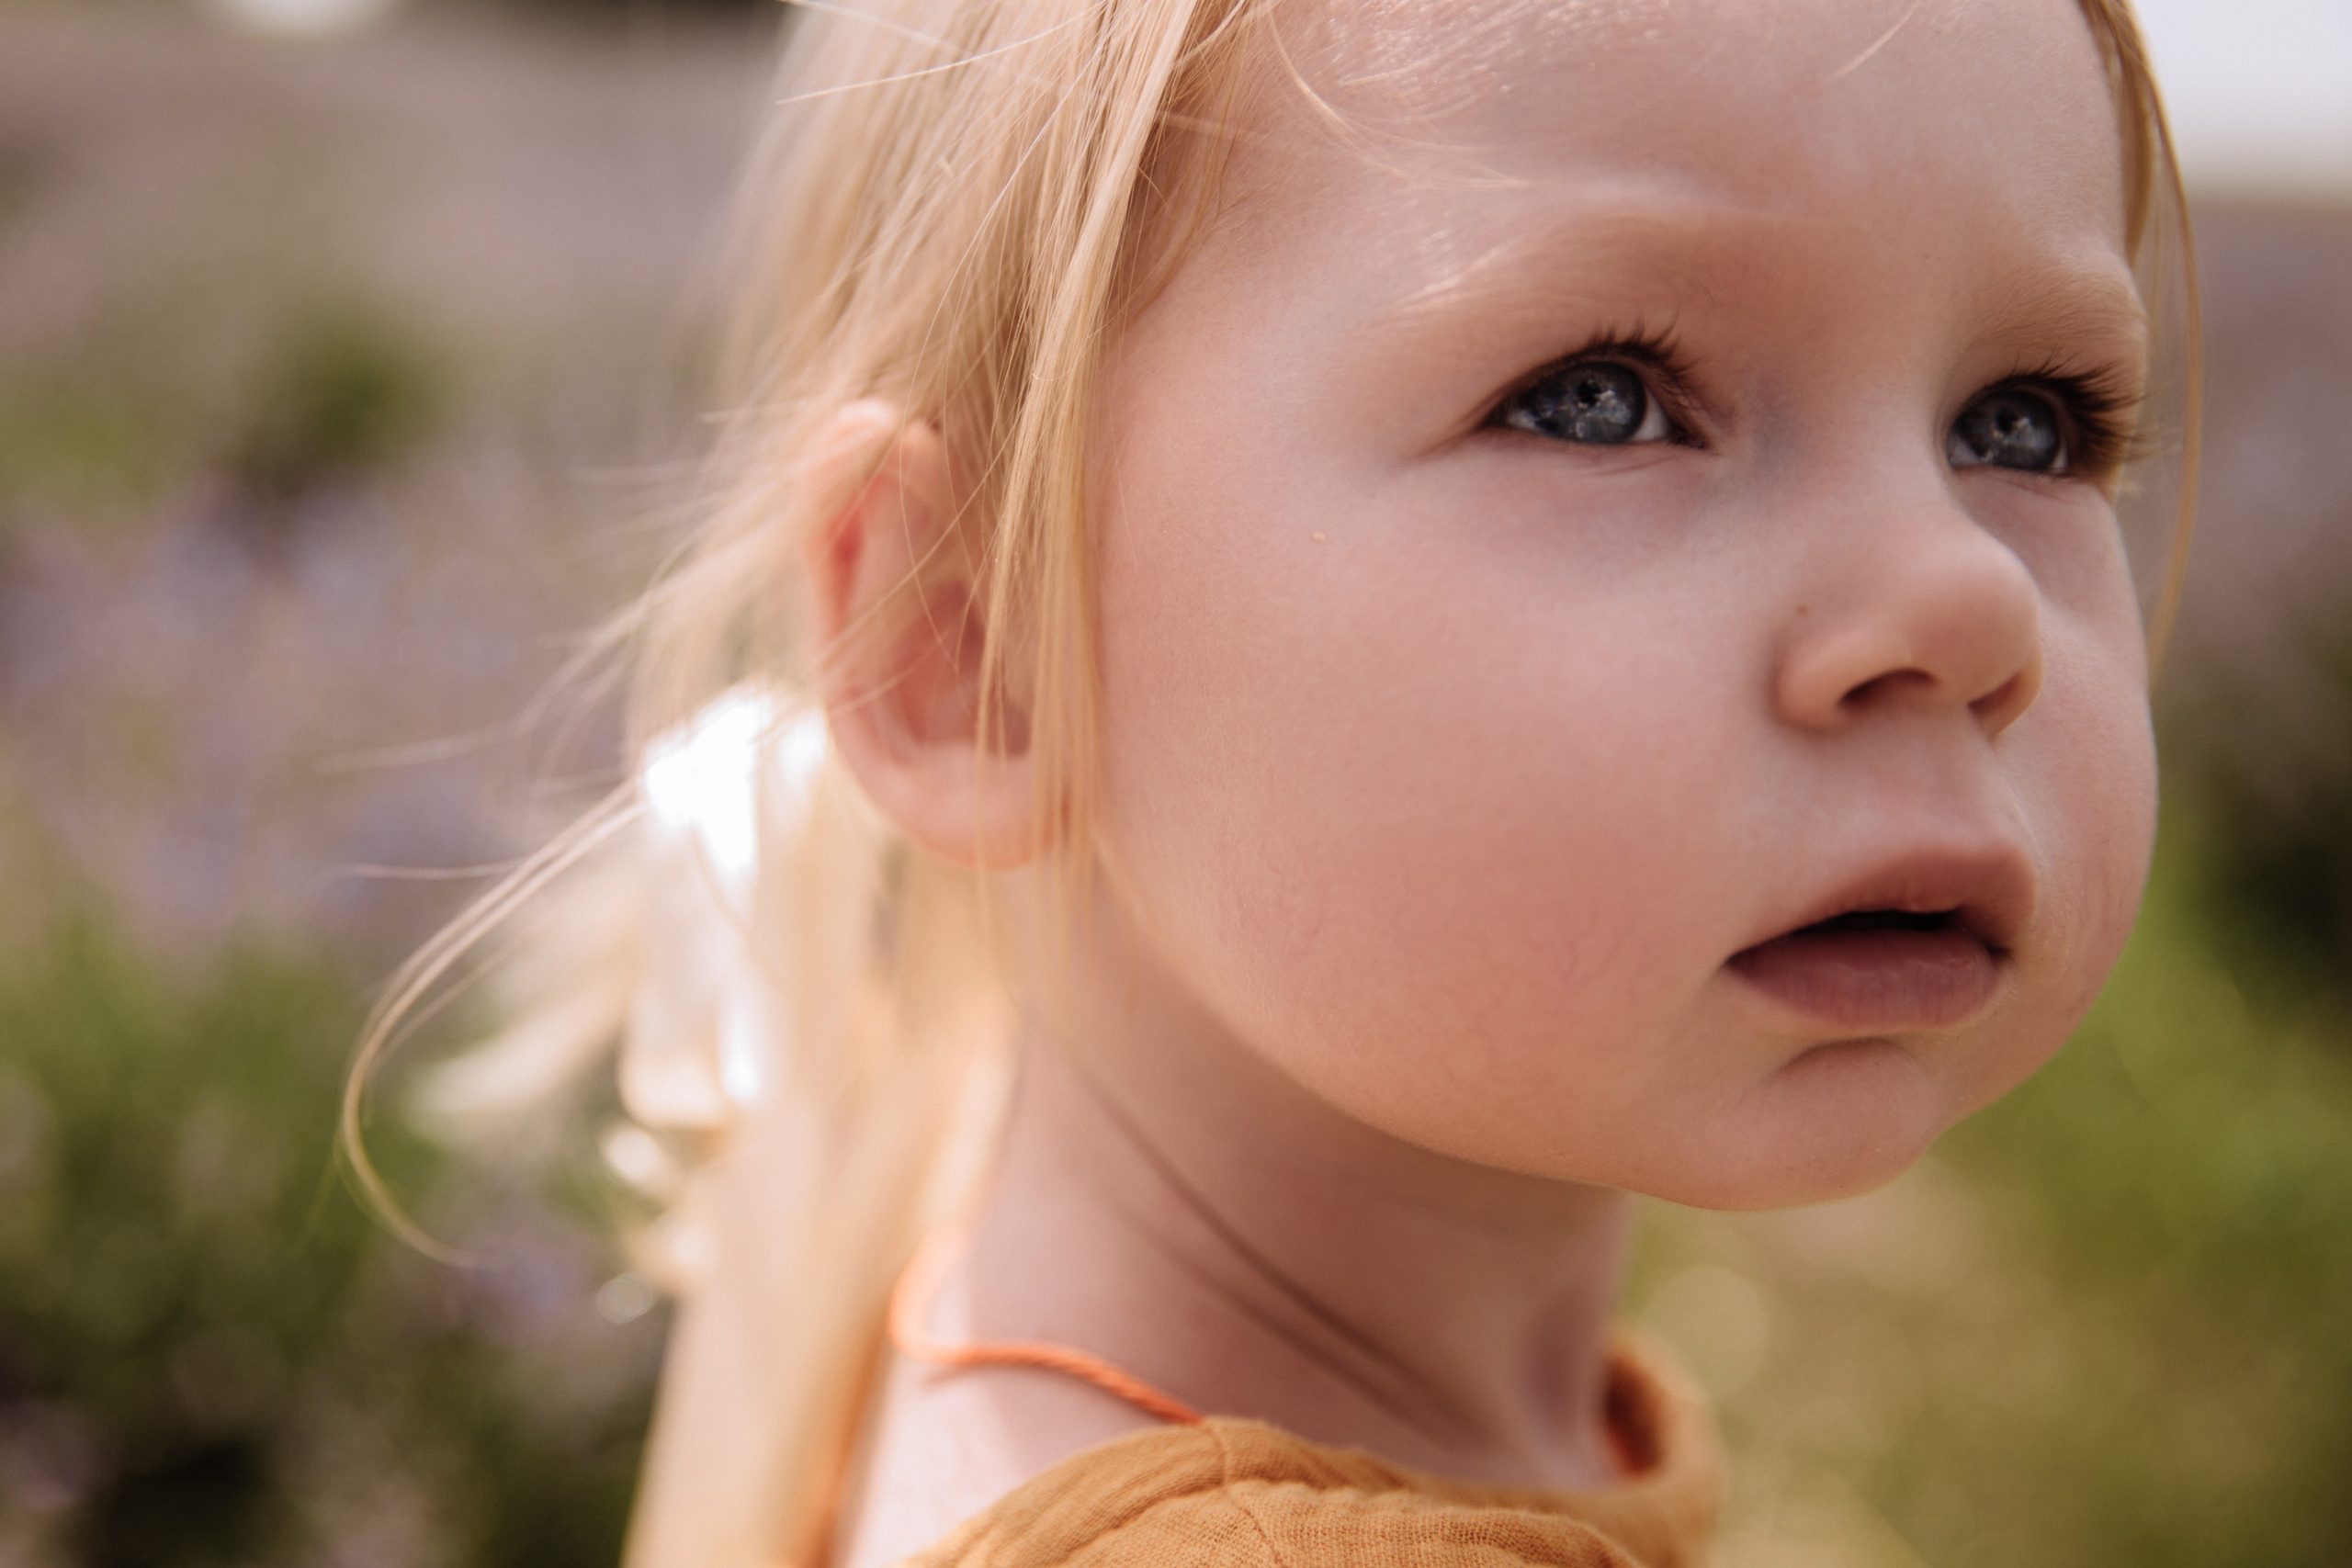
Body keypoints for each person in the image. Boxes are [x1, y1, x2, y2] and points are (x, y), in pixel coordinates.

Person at [356, 0, 2199, 1562]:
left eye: (2024, 421)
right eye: (1600, 398)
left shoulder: (949, 1204)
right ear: (971, 643)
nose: (1958, 600)